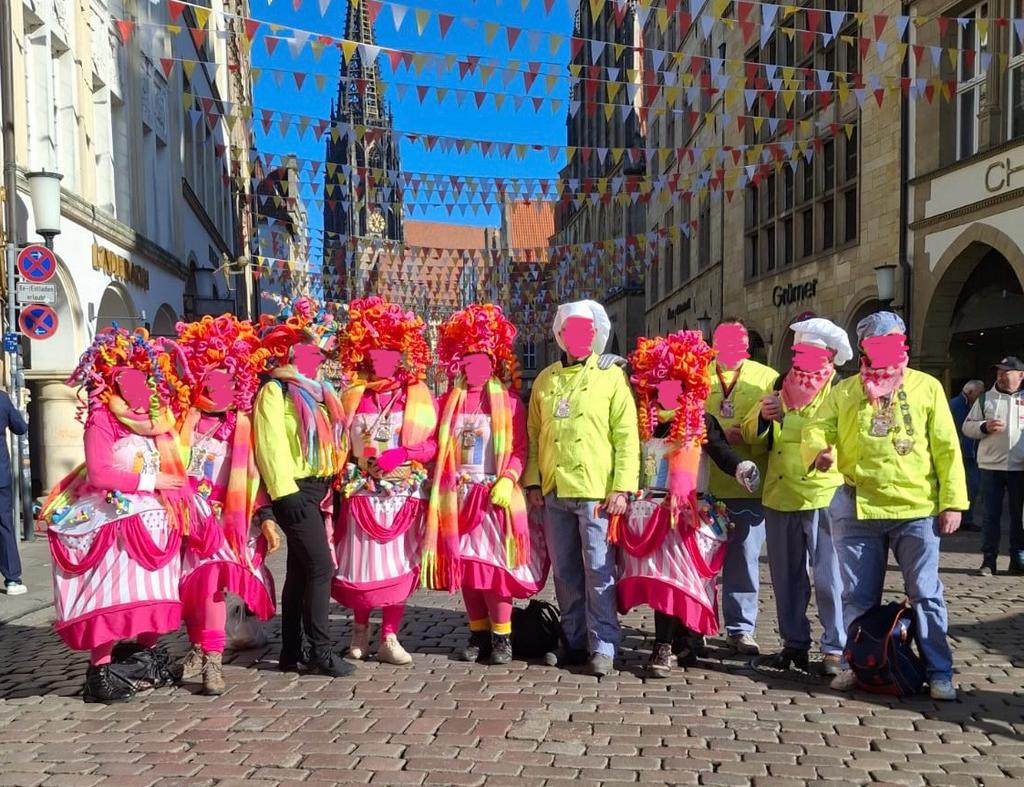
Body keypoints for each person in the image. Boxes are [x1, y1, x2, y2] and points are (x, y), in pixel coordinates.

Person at [804, 311, 967, 701]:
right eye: (879, 343)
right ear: (864, 348)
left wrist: (953, 502)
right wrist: (819, 451)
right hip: (856, 506)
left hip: (914, 508)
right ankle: (855, 664)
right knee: (857, 597)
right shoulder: (845, 391)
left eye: (895, 341)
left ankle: (939, 670)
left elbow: (947, 448)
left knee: (925, 593)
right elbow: (816, 427)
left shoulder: (926, 387)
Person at [38, 328, 196, 703]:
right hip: (115, 520)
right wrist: (153, 479)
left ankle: (145, 659)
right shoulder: (101, 419)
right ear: (111, 380)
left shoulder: (157, 423)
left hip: (156, 522)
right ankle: (101, 671)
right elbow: (100, 473)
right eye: (125, 377)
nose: (135, 385)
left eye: (141, 376)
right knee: (112, 596)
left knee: (152, 595)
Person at [614, 331, 759, 678]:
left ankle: (682, 639)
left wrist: (741, 467)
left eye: (674, 382)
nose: (666, 390)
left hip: (686, 514)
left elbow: (721, 452)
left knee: (685, 580)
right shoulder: (643, 423)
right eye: (660, 383)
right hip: (650, 513)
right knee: (665, 580)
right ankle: (670, 642)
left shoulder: (700, 421)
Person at [424, 304, 548, 664]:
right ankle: (477, 632)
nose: (473, 368)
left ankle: (502, 638)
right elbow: (435, 444)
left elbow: (521, 449)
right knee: (468, 571)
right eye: (467, 362)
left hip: (494, 499)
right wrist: (405, 455)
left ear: (493, 363)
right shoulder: (448, 402)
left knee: (495, 574)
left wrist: (508, 480)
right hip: (456, 497)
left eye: (481, 361)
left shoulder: (510, 404)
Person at [523, 299, 640, 678]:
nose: (578, 337)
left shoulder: (610, 377)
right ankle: (573, 639)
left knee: (599, 571)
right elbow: (534, 433)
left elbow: (626, 437)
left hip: (596, 493)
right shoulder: (545, 379)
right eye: (570, 331)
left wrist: (622, 487)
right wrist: (534, 480)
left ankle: (603, 643)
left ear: (595, 336)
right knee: (566, 571)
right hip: (556, 490)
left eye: (585, 331)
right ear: (560, 336)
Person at [173, 315, 281, 694]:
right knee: (190, 594)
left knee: (213, 589)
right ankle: (199, 648)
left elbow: (256, 477)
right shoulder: (181, 421)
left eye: (227, 380)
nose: (219, 387)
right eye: (212, 379)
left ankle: (213, 664)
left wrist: (265, 518)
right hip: (184, 520)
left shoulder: (241, 425)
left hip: (224, 522)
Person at [740, 318, 851, 676]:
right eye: (798, 352)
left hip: (822, 493)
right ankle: (794, 643)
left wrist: (788, 421)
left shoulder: (840, 391)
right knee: (786, 577)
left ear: (829, 356)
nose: (801, 361)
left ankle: (835, 646)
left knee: (828, 577)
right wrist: (761, 416)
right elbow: (749, 433)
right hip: (780, 490)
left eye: (811, 353)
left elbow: (838, 434)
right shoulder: (777, 384)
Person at [334, 297, 438, 666]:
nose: (383, 360)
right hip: (361, 492)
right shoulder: (351, 396)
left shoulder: (417, 396)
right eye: (376, 352)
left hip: (401, 495)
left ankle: (390, 635)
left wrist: (405, 454)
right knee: (364, 565)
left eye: (391, 353)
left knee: (396, 564)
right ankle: (359, 630)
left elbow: (431, 444)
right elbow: (337, 443)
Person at [253, 298, 352, 678]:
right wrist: (283, 493)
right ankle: (320, 650)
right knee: (322, 567)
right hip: (293, 489)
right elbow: (270, 444)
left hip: (319, 488)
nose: (320, 358)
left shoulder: (322, 392)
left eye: (322, 352)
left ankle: (291, 650)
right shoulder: (276, 391)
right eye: (312, 351)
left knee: (300, 570)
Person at [706, 319, 778, 655]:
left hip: (749, 484)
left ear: (747, 345)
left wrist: (750, 432)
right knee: (701, 561)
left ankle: (740, 628)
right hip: (704, 483)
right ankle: (698, 623)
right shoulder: (698, 373)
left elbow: (777, 426)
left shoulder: (765, 377)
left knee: (744, 560)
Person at [963, 357, 1024, 576]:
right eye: (998, 372)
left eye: (1006, 372)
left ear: (1020, 375)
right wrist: (984, 426)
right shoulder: (985, 399)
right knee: (990, 516)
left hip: (1020, 467)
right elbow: (967, 427)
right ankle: (989, 560)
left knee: (1020, 516)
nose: (1000, 375)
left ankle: (1018, 558)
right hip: (991, 466)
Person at [0, 387, 28, 596]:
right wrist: (20, 408)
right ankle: (12, 579)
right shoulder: (2, 399)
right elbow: (20, 428)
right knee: (5, 524)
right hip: (0, 475)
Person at [950, 380, 985, 535]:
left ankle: (966, 519)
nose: (981, 395)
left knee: (972, 487)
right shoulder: (957, 405)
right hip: (961, 452)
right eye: (979, 392)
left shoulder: (972, 404)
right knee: (967, 486)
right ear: (970, 392)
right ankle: (962, 519)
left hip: (971, 453)